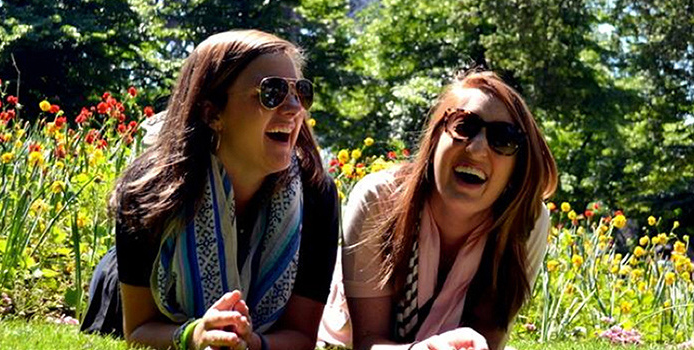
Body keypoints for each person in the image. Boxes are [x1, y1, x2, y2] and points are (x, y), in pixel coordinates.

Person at [81, 29, 339, 350]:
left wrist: (252, 343)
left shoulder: (316, 194)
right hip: (151, 316)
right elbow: (139, 331)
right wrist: (196, 335)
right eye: (271, 92)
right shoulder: (149, 189)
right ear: (212, 113)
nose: (293, 108)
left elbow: (301, 337)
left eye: (300, 92)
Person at [320, 70, 557, 350]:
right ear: (435, 138)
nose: (478, 148)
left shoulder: (526, 222)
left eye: (503, 139)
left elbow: (489, 341)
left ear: (517, 169)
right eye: (464, 126)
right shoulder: (377, 198)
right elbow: (367, 342)